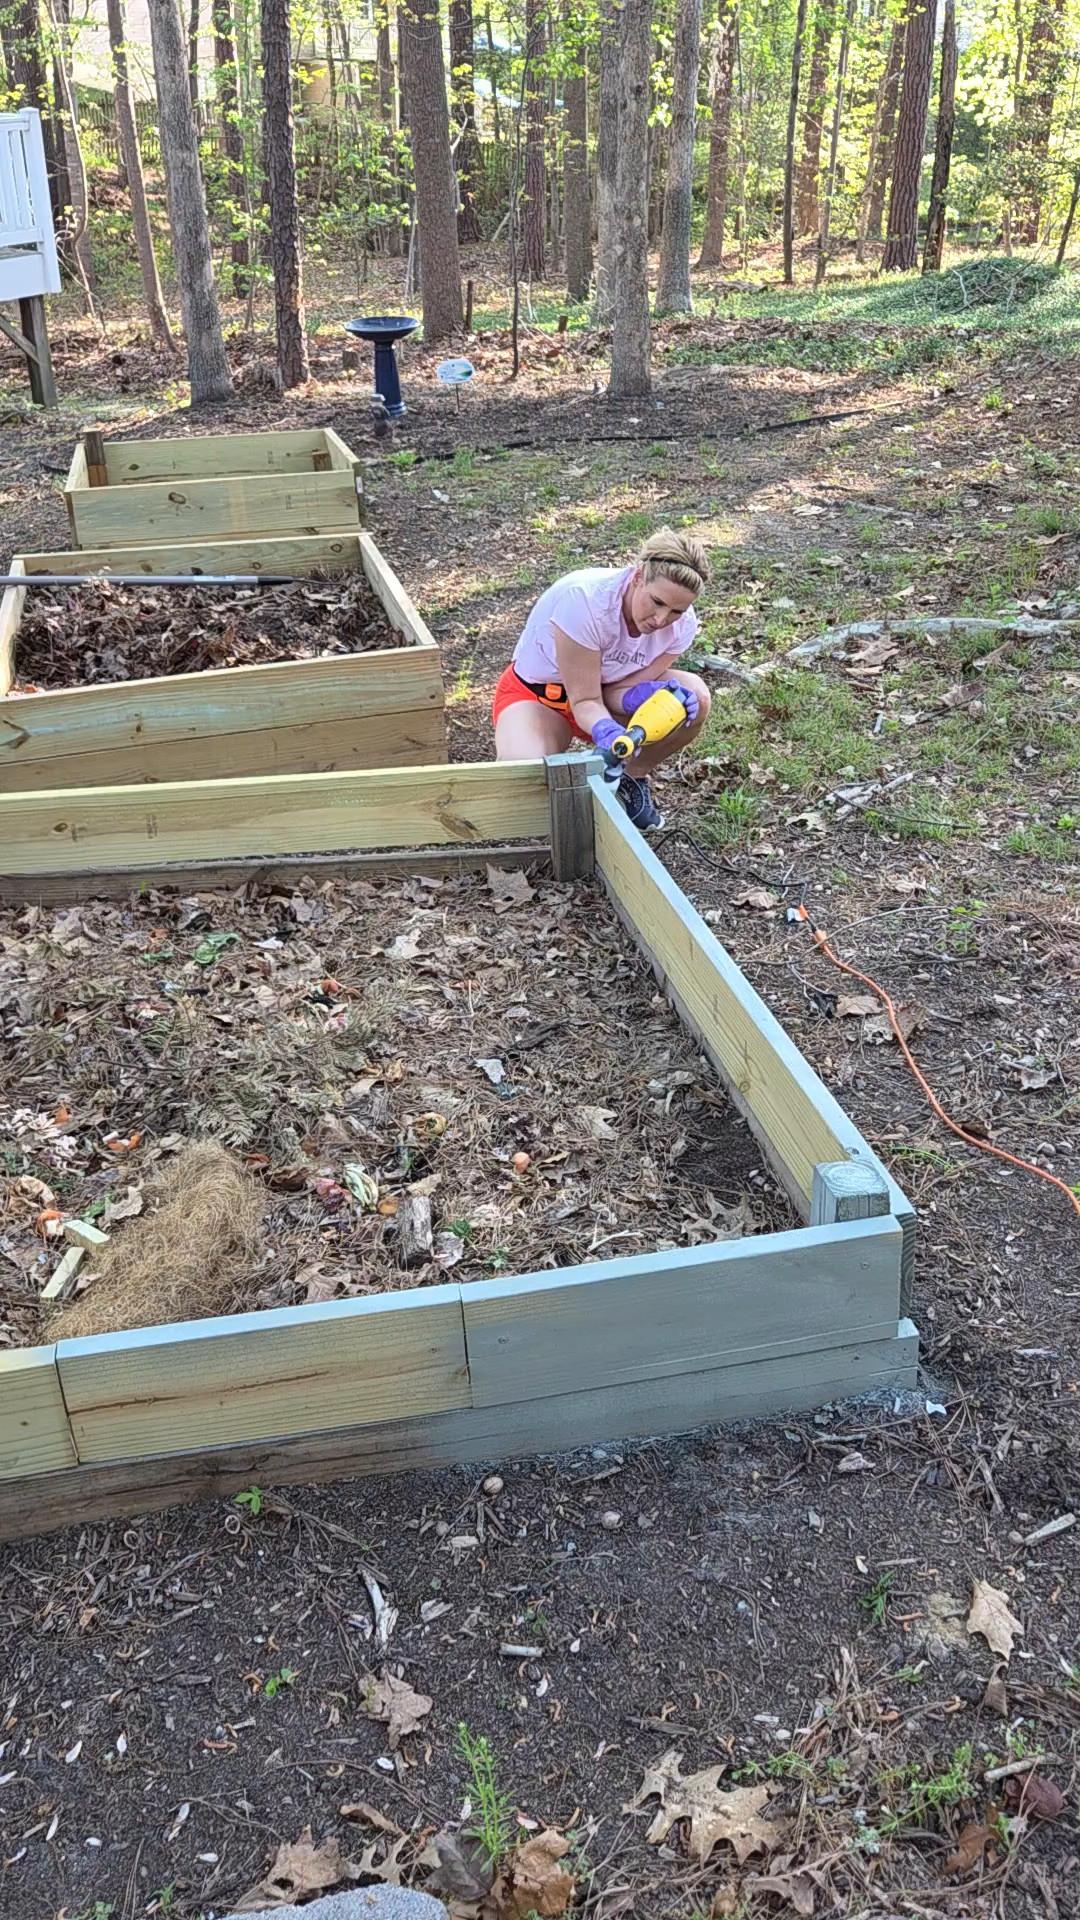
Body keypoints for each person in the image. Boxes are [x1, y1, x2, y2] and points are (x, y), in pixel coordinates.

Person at [492, 527, 711, 830]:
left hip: (601, 696)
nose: (662, 620)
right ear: (637, 577)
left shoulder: (682, 626)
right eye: (657, 602)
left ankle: (628, 777)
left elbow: (614, 692)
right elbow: (585, 701)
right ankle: (593, 764)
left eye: (676, 611)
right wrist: (606, 729)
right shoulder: (584, 602)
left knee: (695, 698)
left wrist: (643, 694)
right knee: (523, 784)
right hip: (542, 698)